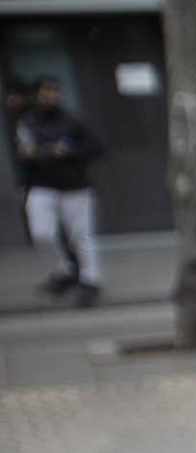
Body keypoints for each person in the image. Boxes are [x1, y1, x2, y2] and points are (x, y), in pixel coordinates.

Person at [15, 78, 104, 306]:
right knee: (41, 233)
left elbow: (96, 147)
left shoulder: (73, 121)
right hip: (41, 185)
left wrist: (70, 152)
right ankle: (63, 269)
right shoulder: (28, 122)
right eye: (46, 91)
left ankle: (90, 279)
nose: (50, 96)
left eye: (54, 91)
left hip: (73, 185)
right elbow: (23, 154)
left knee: (81, 234)